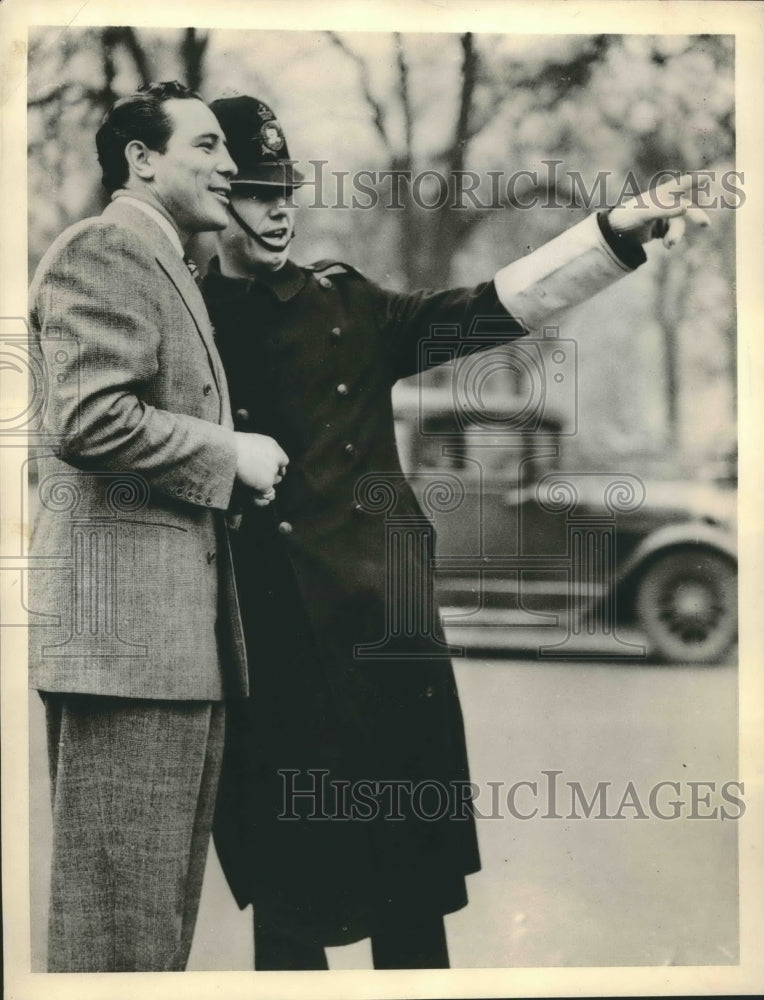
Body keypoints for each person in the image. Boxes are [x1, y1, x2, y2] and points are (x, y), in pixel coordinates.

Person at [202, 93, 709, 971]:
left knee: (411, 908)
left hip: (389, 650)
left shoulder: (347, 305)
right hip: (274, 660)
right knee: (291, 917)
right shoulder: (192, 320)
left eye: (286, 190)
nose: (279, 209)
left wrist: (614, 235)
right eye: (256, 192)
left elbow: (490, 307)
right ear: (216, 197)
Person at [27, 81, 289, 972]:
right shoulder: (107, 248)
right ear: (140, 159)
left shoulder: (164, 260)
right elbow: (90, 419)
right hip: (127, 650)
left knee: (148, 940)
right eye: (207, 146)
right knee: (117, 942)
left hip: (165, 653)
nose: (230, 165)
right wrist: (228, 453)